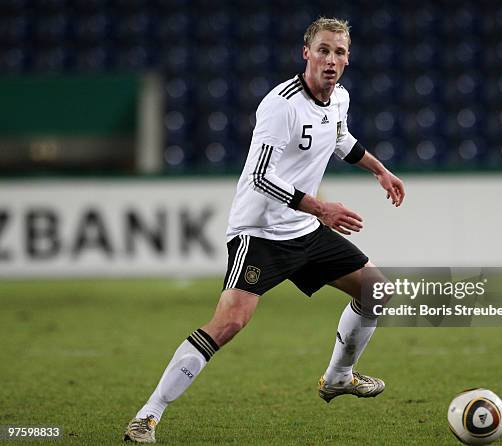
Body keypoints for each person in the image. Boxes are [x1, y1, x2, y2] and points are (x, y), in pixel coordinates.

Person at [124, 16, 405, 443]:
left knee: (376, 291)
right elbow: (259, 176)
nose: (331, 60)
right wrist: (320, 209)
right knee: (229, 323)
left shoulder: (340, 99)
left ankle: (338, 378)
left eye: (340, 52)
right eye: (324, 50)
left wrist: (380, 171)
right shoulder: (282, 104)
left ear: (348, 59)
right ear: (306, 53)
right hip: (259, 231)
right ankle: (148, 415)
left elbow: (341, 139)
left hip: (303, 228)